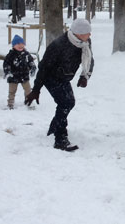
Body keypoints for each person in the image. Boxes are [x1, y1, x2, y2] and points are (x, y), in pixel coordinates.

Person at [25, 18, 94, 151]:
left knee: (69, 102)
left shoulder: (85, 43)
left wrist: (85, 76)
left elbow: (90, 59)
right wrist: (36, 90)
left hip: (64, 78)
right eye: (87, 33)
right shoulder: (59, 45)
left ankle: (54, 128)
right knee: (66, 103)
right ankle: (60, 139)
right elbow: (43, 68)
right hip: (50, 77)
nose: (90, 35)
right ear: (78, 33)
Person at [3, 35, 36, 109]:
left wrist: (33, 67)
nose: (21, 46)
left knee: (28, 90)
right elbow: (6, 64)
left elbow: (30, 61)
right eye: (18, 44)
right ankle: (10, 104)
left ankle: (28, 102)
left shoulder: (26, 54)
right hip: (13, 76)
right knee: (12, 92)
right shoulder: (10, 55)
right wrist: (7, 71)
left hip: (24, 75)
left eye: (22, 44)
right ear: (13, 45)